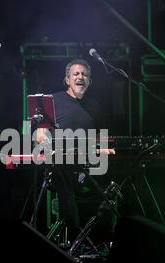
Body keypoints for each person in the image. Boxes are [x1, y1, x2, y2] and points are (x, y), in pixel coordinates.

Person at [36, 59, 115, 247]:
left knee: (108, 190)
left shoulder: (94, 105)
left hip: (83, 167)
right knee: (65, 186)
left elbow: (98, 138)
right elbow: (40, 136)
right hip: (58, 166)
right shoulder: (52, 101)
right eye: (76, 74)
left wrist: (102, 148)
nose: (81, 77)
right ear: (67, 80)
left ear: (90, 81)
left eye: (85, 74)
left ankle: (104, 242)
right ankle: (75, 244)